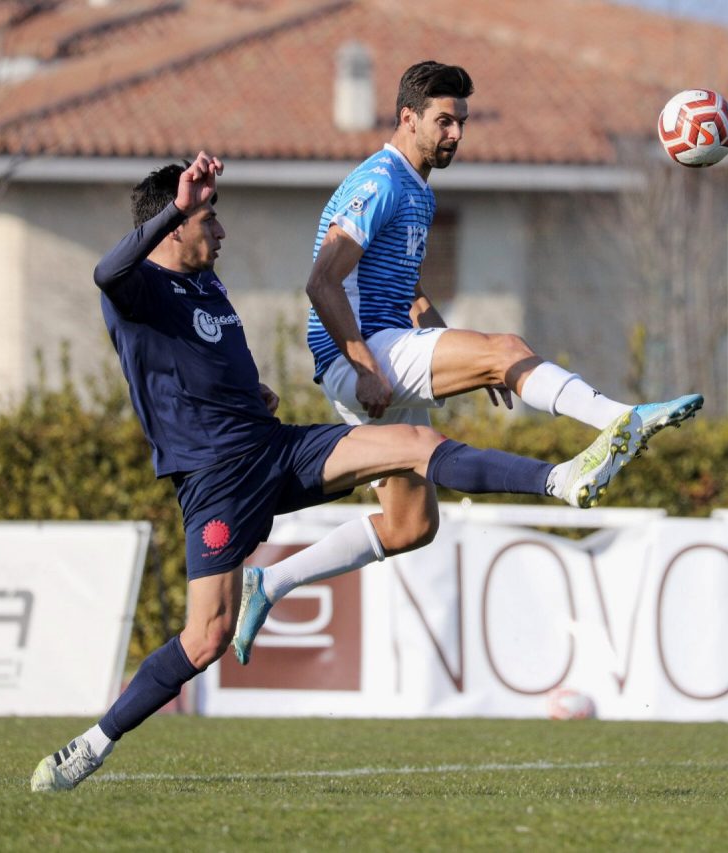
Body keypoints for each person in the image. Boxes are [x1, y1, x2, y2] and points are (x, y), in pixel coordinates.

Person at [30, 153, 649, 792]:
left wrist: (255, 393)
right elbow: (106, 271)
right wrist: (177, 205)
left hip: (274, 448)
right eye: (208, 219)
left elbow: (197, 364)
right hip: (216, 483)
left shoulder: (206, 284)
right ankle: (93, 744)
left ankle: (561, 480)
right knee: (204, 637)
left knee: (413, 442)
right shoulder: (137, 291)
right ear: (175, 225)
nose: (220, 232)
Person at [230, 61, 703, 665]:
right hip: (362, 354)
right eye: (444, 121)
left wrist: (452, 345)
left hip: (370, 358)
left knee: (409, 526)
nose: (456, 134)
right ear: (408, 118)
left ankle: (271, 583)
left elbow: (402, 281)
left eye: (462, 123)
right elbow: (322, 282)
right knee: (505, 346)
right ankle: (624, 418)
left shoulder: (417, 188)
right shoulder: (379, 182)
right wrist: (378, 365)